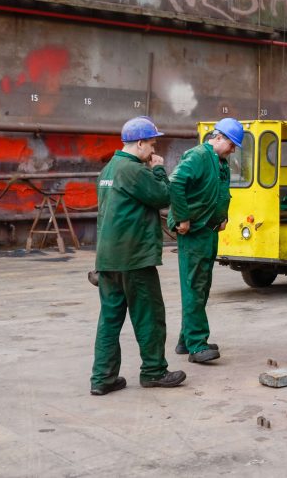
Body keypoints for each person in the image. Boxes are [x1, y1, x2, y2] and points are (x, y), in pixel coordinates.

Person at [90, 116, 186, 395]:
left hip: (108, 258)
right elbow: (162, 196)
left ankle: (103, 378)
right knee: (149, 316)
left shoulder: (108, 170)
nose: (154, 151)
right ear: (140, 143)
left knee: (109, 319)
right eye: (152, 145)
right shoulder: (133, 170)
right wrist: (158, 170)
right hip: (133, 258)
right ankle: (154, 371)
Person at [168, 117, 242, 363]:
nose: (233, 150)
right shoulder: (199, 156)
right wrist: (182, 217)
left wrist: (223, 216)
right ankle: (197, 345)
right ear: (218, 137)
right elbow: (176, 182)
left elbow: (221, 192)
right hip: (194, 233)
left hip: (208, 231)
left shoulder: (219, 162)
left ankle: (185, 340)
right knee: (194, 286)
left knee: (200, 286)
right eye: (232, 144)